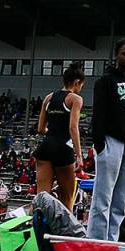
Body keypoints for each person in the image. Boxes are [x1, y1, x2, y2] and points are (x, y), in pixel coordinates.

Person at [88, 39, 125, 241]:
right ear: (116, 55)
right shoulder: (105, 82)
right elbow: (99, 114)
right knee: (103, 198)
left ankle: (111, 241)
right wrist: (99, 144)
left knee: (120, 201)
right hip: (111, 142)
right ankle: (95, 240)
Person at [35, 61, 86, 212]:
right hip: (63, 148)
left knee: (42, 197)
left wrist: (53, 133)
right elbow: (73, 127)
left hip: (46, 146)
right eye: (81, 85)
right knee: (67, 198)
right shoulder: (75, 99)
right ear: (77, 82)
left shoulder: (48, 98)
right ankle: (64, 233)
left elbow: (40, 129)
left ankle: (37, 230)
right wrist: (79, 155)